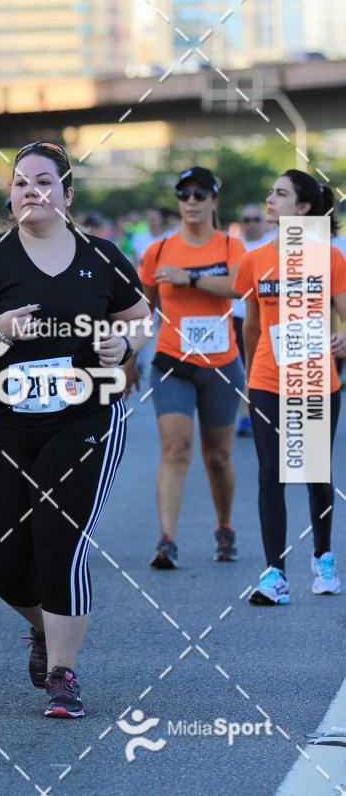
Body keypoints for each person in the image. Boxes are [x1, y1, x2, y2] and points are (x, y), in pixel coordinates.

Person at [0, 141, 150, 719]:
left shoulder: (102, 255)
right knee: (4, 561)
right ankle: (42, 628)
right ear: (9, 197)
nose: (32, 191)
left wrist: (123, 343)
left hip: (85, 418)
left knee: (60, 542)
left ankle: (63, 671)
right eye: (20, 183)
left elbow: (139, 319)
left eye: (44, 181)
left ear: (67, 193)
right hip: (0, 420)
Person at [233, 170, 346, 605]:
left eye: (280, 194)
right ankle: (274, 574)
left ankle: (323, 557)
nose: (270, 198)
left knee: (315, 473)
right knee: (270, 474)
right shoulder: (254, 260)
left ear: (302, 210)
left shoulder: (329, 259)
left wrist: (342, 337)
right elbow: (253, 326)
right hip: (266, 378)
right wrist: (249, 376)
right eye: (271, 192)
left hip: (316, 378)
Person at [132, 166, 245, 568]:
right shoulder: (158, 251)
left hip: (221, 366)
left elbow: (238, 286)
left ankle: (225, 525)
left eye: (201, 194)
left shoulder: (231, 246)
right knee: (175, 448)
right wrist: (130, 356)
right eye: (184, 195)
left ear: (215, 200)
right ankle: (166, 539)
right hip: (172, 363)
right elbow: (142, 311)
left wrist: (189, 278)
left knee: (218, 456)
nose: (191, 202)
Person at [232, 204, 274, 437]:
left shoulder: (274, 242)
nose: (251, 224)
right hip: (239, 315)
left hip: (269, 315)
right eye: (246, 220)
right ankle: (246, 415)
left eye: (256, 219)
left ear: (263, 220)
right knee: (245, 369)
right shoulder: (235, 246)